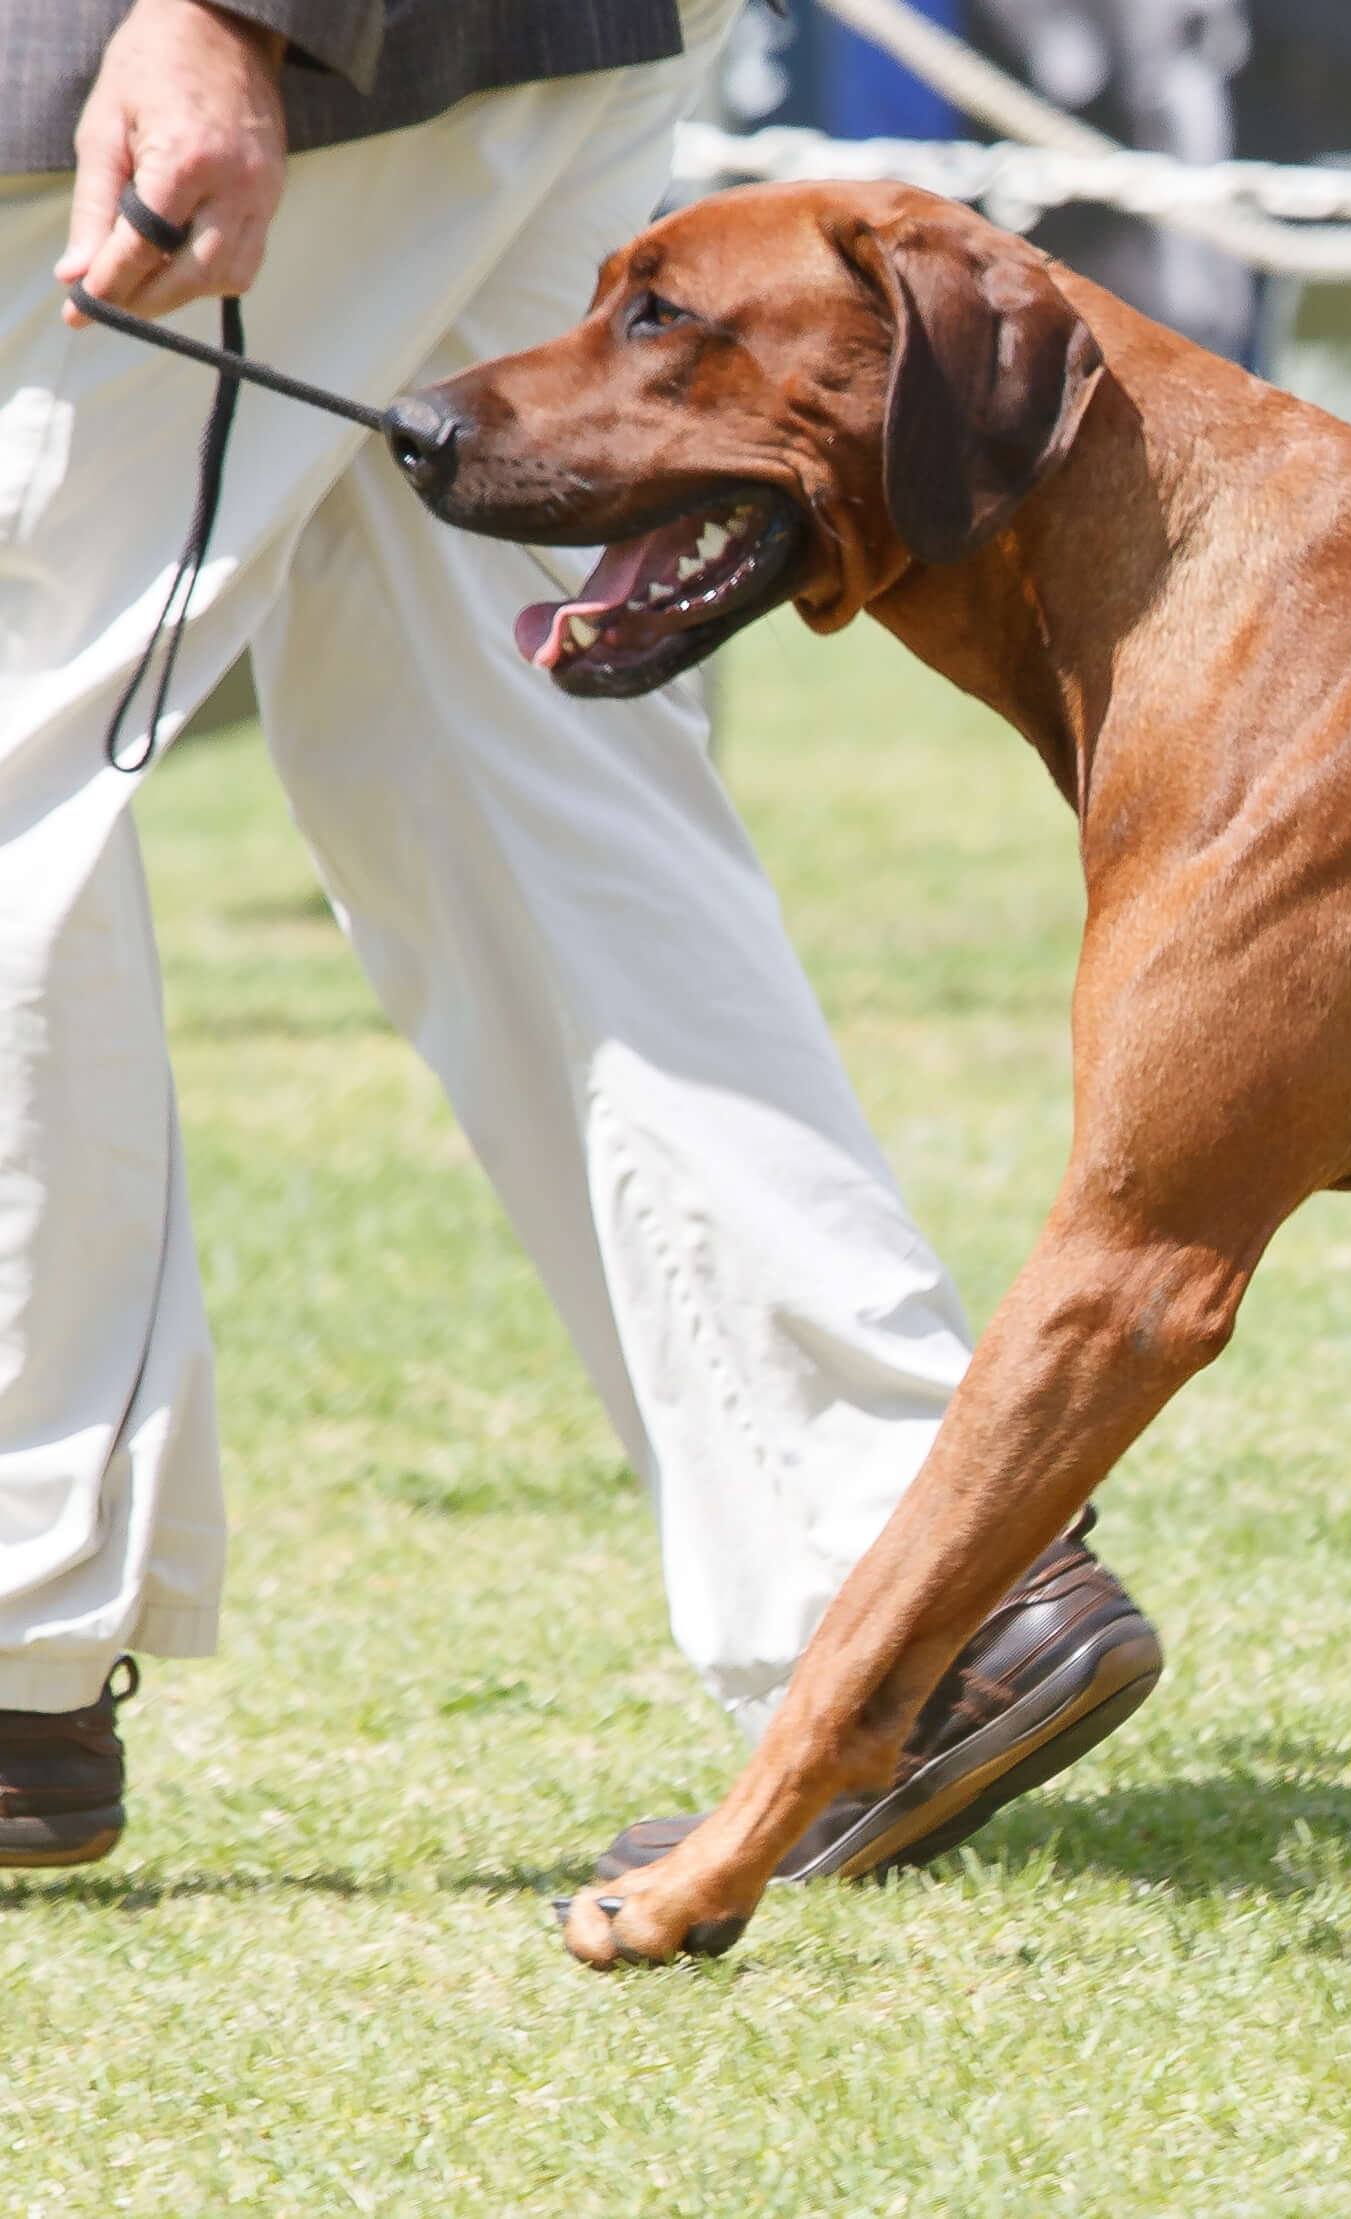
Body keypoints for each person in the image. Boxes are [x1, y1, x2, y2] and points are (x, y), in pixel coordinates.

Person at [0, 0, 1164, 1881]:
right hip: (499, 40)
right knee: (528, 780)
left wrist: (225, 16)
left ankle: (11, 1633)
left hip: (240, 64)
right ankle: (911, 1588)